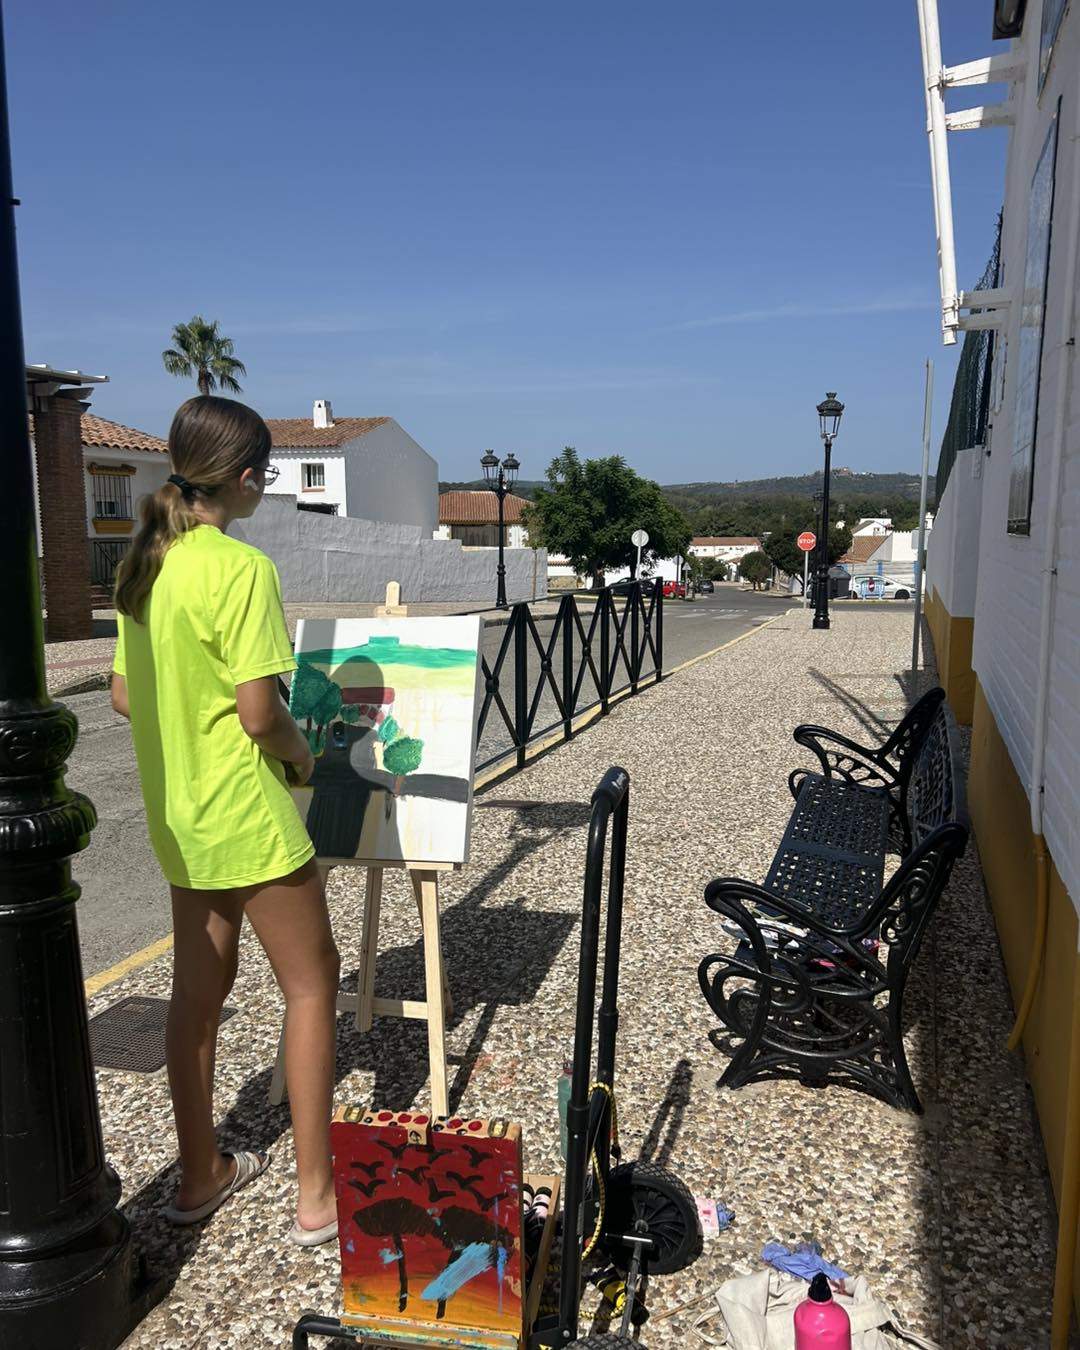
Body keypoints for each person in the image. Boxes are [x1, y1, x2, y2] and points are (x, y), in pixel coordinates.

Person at [111, 395, 340, 1246]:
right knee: (312, 983)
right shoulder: (240, 568)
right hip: (247, 811)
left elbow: (125, 695)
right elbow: (259, 714)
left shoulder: (145, 563)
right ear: (245, 477)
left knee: (196, 997)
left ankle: (200, 1174)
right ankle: (316, 1197)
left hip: (180, 817)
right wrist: (303, 758)